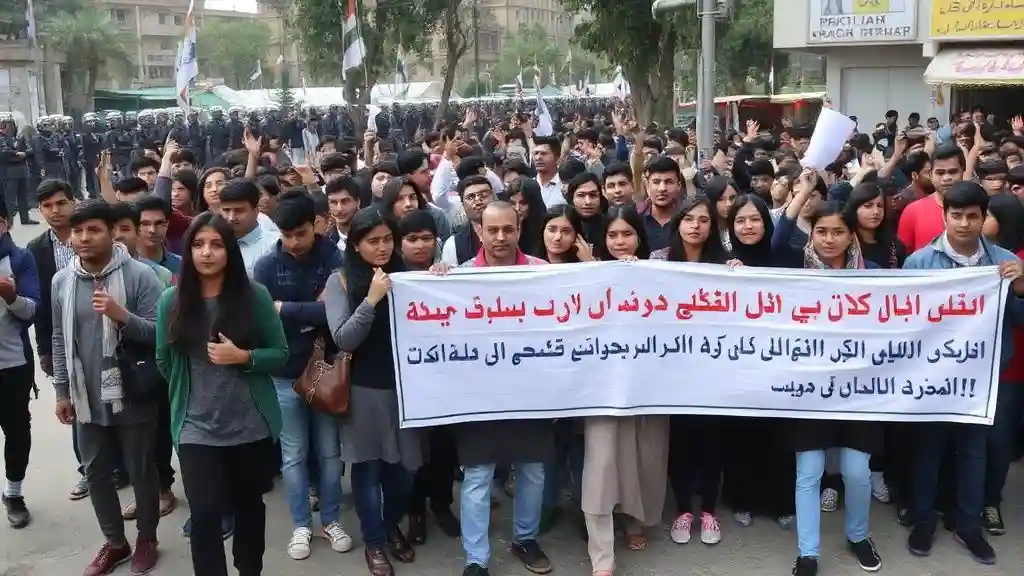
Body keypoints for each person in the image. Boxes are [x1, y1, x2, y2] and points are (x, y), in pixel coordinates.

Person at [156, 212, 288, 576]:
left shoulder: (254, 296)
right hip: (196, 429)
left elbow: (280, 353)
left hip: (249, 426)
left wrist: (244, 357)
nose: (207, 252)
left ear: (229, 250)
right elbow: (163, 359)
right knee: (205, 515)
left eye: (216, 244)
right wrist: (189, 394)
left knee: (248, 508)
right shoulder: (172, 300)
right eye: (198, 244)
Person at [903, 180, 1024, 566]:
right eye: (957, 216)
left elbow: (1018, 322)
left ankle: (968, 526)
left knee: (975, 453)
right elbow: (903, 321)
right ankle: (923, 521)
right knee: (928, 450)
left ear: (984, 218)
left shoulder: (1004, 261)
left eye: (973, 216)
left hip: (982, 378)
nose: (965, 224)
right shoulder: (919, 262)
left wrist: (1020, 288)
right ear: (945, 216)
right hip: (932, 375)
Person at [436, 201, 553, 576]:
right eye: (492, 230)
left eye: (508, 229)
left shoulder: (543, 274)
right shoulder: (459, 278)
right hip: (479, 396)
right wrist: (436, 280)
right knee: (477, 476)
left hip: (531, 392)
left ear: (519, 230)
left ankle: (525, 538)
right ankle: (476, 559)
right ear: (479, 233)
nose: (500, 237)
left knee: (532, 470)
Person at [51, 199, 164, 576]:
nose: (84, 238)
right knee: (96, 472)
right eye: (78, 230)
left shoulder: (139, 276)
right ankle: (116, 542)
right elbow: (58, 337)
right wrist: (62, 392)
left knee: (140, 470)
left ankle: (147, 537)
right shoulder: (62, 280)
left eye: (93, 229)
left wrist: (122, 316)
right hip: (87, 398)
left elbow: (158, 334)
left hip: (132, 393)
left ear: (112, 232)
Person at [324, 208, 424, 576]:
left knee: (405, 471)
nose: (382, 248)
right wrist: (372, 299)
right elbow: (343, 338)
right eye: (372, 241)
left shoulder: (408, 277)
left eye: (387, 240)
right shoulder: (343, 280)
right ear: (356, 244)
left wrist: (439, 277)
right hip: (364, 390)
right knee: (367, 472)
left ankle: (389, 523)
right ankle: (375, 542)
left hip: (407, 390)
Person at [254, 191, 351, 560]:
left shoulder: (336, 259)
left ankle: (330, 520)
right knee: (293, 457)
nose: (293, 242)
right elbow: (264, 315)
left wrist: (287, 309)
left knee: (329, 453)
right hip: (284, 376)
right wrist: (308, 311)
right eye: (287, 234)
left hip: (327, 371)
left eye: (301, 233)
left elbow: (336, 312)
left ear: (317, 224)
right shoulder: (266, 266)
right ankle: (301, 526)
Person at [26, 179, 93, 499]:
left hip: (101, 332)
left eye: (61, 203)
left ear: (73, 203)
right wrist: (44, 350)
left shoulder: (90, 235)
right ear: (40, 210)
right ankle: (88, 471)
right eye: (47, 206)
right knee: (75, 405)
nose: (55, 211)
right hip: (62, 339)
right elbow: (39, 306)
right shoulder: (36, 249)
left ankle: (121, 467)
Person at [0, 199, 40, 530]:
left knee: (16, 429)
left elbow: (33, 310)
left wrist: (11, 297)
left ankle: (13, 492)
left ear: (4, 224)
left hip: (12, 363)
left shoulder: (19, 259)